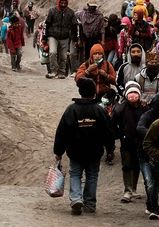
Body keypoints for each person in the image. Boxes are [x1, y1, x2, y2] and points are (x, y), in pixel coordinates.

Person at [53, 78, 116, 216]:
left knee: (75, 174)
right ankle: (90, 203)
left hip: (75, 151)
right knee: (92, 176)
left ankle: (76, 199)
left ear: (80, 92)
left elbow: (62, 132)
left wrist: (58, 151)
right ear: (94, 93)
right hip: (94, 151)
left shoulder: (71, 110)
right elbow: (108, 131)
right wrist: (110, 149)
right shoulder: (99, 110)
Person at [113, 82, 148, 203]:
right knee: (126, 165)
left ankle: (133, 188)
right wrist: (119, 135)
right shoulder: (120, 108)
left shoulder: (145, 107)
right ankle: (127, 190)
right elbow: (113, 122)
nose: (133, 96)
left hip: (140, 142)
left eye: (135, 93)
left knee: (137, 165)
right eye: (130, 93)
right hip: (126, 141)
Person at [46, 0, 78, 78]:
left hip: (65, 37)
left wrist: (75, 39)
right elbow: (47, 24)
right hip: (53, 35)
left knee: (64, 56)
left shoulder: (71, 13)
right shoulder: (52, 11)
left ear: (67, 3)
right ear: (58, 1)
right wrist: (45, 38)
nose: (63, 4)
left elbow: (74, 26)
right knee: (52, 52)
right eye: (61, 2)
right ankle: (53, 71)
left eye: (65, 2)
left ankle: (62, 72)